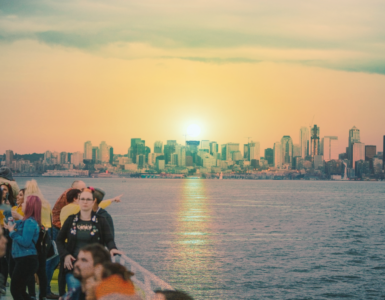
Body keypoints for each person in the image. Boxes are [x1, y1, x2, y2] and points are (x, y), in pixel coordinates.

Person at [50, 181, 122, 298]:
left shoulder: (101, 220)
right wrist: (65, 255)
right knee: (77, 292)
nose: (84, 202)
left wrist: (112, 248)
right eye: (82, 199)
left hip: (94, 267)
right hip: (74, 266)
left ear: (93, 202)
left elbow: (109, 239)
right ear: (78, 201)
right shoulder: (71, 220)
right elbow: (59, 240)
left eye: (88, 199)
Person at [5, 195, 41, 300]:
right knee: (20, 291)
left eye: (24, 203)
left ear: (30, 206)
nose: (22, 204)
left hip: (27, 259)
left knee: (15, 290)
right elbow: (11, 224)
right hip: (23, 259)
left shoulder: (30, 222)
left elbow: (25, 242)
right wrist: (7, 209)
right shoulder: (24, 221)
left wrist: (12, 232)